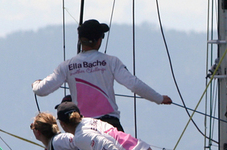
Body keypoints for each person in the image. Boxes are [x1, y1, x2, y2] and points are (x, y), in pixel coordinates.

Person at [32, 19, 172, 131]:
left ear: (80, 40)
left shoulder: (66, 66)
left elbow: (41, 90)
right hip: (110, 125)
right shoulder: (111, 62)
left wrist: (36, 84)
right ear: (99, 40)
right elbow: (134, 85)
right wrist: (159, 98)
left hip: (84, 126)